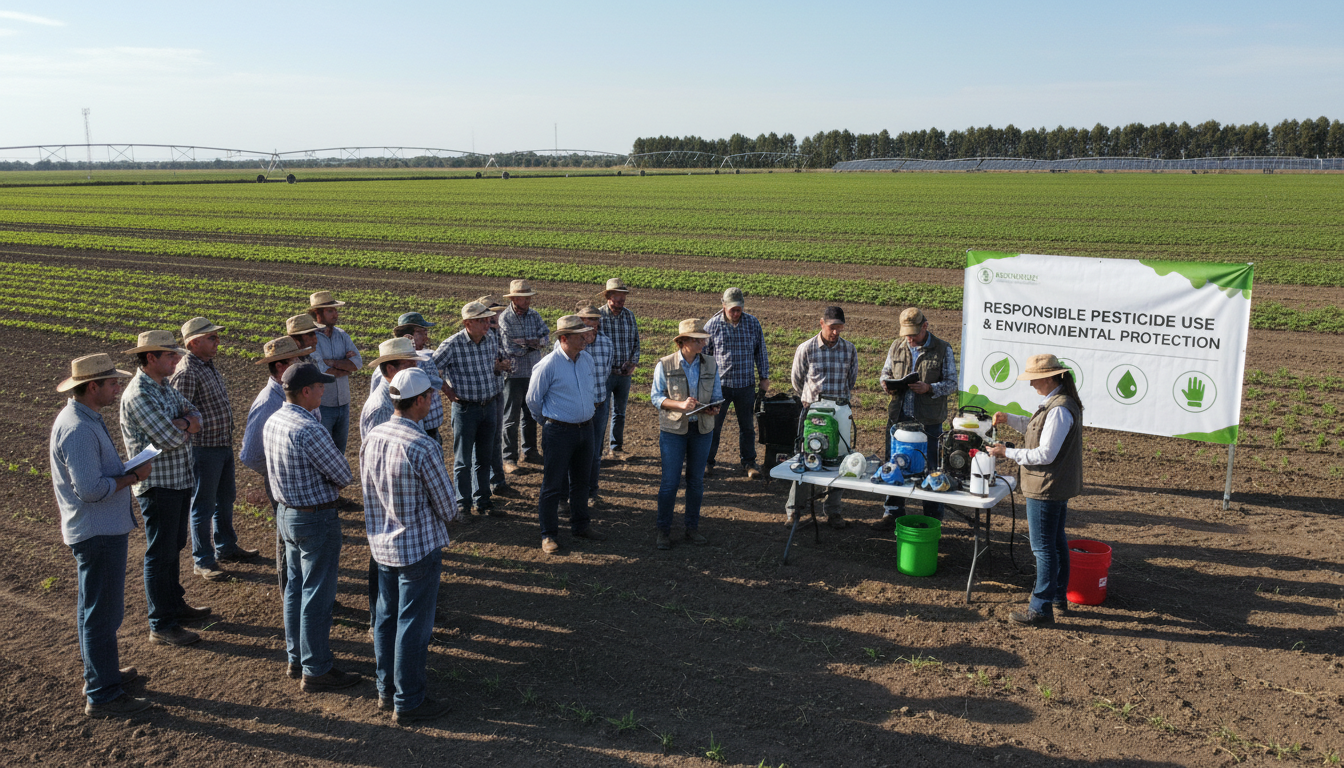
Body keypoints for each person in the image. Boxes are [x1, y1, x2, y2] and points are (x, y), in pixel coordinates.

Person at [50, 354, 152, 717]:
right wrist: (132, 477)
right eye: (111, 383)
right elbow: (90, 489)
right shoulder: (77, 428)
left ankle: (101, 675)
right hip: (97, 532)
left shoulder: (83, 418)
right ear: (91, 387)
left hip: (98, 529)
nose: (117, 388)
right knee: (101, 614)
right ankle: (103, 693)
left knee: (93, 611)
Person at [360, 367, 458, 725]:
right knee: (414, 626)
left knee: (385, 618)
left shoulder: (373, 436)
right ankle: (410, 700)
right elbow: (448, 507)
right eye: (430, 396)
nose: (433, 401)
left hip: (381, 545)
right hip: (417, 547)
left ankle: (386, 689)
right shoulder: (423, 445)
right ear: (418, 401)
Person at [265, 363, 362, 691]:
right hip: (315, 517)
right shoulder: (309, 429)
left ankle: (297, 658)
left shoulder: (274, 420)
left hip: (286, 514)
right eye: (320, 387)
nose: (324, 390)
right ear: (306, 391)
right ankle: (317, 668)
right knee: (317, 595)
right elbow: (343, 474)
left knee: (294, 588)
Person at [120, 330, 207, 647]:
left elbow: (195, 414)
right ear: (151, 358)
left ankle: (174, 606)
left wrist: (182, 423)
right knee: (160, 553)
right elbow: (168, 439)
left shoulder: (164, 387)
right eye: (170, 355)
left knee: (174, 547)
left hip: (178, 479)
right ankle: (161, 623)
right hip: (157, 484)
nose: (176, 359)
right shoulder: (139, 394)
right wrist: (184, 424)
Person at [987, 354, 1085, 626]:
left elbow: (1045, 453)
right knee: (1055, 542)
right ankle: (1056, 597)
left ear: (1049, 378)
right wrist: (1010, 419)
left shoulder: (1059, 409)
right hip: (1053, 486)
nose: (1031, 385)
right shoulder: (1057, 403)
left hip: (1045, 487)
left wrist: (1007, 452)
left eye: (1034, 380)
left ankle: (1041, 609)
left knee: (1043, 548)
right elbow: (1036, 429)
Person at [171, 317, 255, 584]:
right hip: (202, 449)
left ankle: (226, 546)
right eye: (211, 338)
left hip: (221, 444)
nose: (217, 341)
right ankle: (203, 560)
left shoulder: (206, 365)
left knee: (225, 498)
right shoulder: (187, 372)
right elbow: (176, 414)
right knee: (203, 505)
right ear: (193, 343)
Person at [869, 308, 959, 531]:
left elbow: (952, 383)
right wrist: (887, 385)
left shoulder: (942, 348)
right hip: (899, 418)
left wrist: (929, 387)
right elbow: (884, 373)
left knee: (930, 468)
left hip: (928, 421)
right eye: (906, 333)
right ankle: (892, 512)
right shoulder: (896, 345)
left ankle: (932, 516)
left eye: (914, 334)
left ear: (925, 326)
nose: (909, 338)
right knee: (894, 465)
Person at [239, 336, 313, 589]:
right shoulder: (267, 402)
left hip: (293, 482)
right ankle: (291, 590)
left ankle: (299, 588)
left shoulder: (289, 394)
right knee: (288, 539)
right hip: (283, 482)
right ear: (281, 367)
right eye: (296, 360)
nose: (303, 362)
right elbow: (250, 454)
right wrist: (278, 471)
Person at [526, 315, 603, 554]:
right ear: (564, 338)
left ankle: (581, 525)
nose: (586, 339)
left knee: (581, 482)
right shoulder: (548, 365)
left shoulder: (587, 360)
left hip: (585, 428)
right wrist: (549, 422)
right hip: (559, 431)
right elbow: (533, 400)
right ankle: (548, 534)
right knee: (553, 485)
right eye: (580, 336)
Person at [432, 301, 512, 519]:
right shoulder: (452, 344)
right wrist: (447, 390)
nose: (487, 324)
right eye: (481, 321)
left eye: (487, 320)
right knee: (463, 460)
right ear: (467, 323)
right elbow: (429, 369)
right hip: (466, 408)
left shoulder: (491, 339)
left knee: (484, 457)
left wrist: (498, 367)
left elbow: (492, 364)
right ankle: (463, 504)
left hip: (490, 404)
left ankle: (483, 501)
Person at [651, 319, 723, 550]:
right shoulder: (665, 364)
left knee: (696, 482)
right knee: (670, 483)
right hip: (674, 430)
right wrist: (680, 405)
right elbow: (656, 398)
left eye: (703, 339)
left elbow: (717, 393)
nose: (703, 343)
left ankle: (692, 528)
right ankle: (663, 530)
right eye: (697, 339)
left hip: (702, 429)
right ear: (683, 342)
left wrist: (714, 407)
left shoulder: (711, 363)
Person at [785, 307, 857, 529]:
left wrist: (837, 405)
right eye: (832, 327)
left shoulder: (849, 349)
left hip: (840, 412)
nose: (836, 332)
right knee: (806, 459)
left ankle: (833, 510)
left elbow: (851, 380)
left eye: (840, 328)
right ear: (822, 324)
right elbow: (796, 381)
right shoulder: (806, 348)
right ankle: (795, 511)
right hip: (814, 413)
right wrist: (812, 402)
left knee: (839, 460)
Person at [703, 287, 770, 480]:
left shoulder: (752, 323)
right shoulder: (712, 326)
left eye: (738, 309)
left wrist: (764, 378)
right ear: (723, 306)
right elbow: (705, 356)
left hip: (745, 385)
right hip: (720, 385)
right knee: (714, 425)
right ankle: (707, 462)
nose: (735, 313)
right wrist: (705, 384)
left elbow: (761, 351)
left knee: (747, 427)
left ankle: (749, 462)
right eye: (732, 309)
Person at [555, 303, 613, 507]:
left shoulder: (606, 343)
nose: (591, 325)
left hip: (598, 405)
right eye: (586, 321)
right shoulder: (562, 347)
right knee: (567, 455)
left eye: (595, 320)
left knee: (595, 453)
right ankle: (563, 498)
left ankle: (590, 493)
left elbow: (605, 374)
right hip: (570, 410)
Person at [498, 280, 548, 472]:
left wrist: (526, 343)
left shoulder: (535, 315)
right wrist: (533, 344)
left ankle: (530, 452)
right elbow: (509, 348)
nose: (527, 301)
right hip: (513, 373)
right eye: (523, 297)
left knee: (531, 413)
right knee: (510, 417)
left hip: (533, 372)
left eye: (528, 297)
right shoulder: (505, 318)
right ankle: (508, 458)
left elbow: (545, 337)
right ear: (514, 298)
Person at [307, 291, 363, 454]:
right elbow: (322, 372)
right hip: (322, 406)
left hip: (344, 404)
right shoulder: (311, 339)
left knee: (340, 453)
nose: (336, 314)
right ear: (318, 313)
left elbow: (357, 363)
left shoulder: (342, 335)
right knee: (324, 454)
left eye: (336, 310)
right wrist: (344, 367)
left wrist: (332, 362)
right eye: (331, 311)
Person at [477, 296, 516, 497]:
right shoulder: (477, 338)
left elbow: (508, 357)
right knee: (484, 442)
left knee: (495, 439)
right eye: (490, 314)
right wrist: (496, 365)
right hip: (482, 396)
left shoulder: (497, 334)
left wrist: (505, 364)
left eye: (495, 313)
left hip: (497, 390)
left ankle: (497, 480)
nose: (493, 318)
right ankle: (486, 486)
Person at [598, 277, 640, 460]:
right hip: (606, 374)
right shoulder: (598, 317)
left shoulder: (629, 316)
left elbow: (636, 342)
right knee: (601, 412)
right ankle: (598, 451)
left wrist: (633, 363)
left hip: (624, 374)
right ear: (608, 297)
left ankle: (616, 448)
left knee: (620, 412)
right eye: (617, 298)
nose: (621, 302)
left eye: (623, 298)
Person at [393, 312, 445, 444]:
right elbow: (435, 383)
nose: (426, 337)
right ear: (408, 336)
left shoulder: (424, 354)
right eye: (422, 332)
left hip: (429, 423)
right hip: (422, 424)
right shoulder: (417, 359)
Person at [360, 338, 421, 441]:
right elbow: (381, 452)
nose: (416, 368)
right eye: (410, 364)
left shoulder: (404, 394)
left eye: (415, 363)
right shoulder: (382, 409)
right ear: (390, 369)